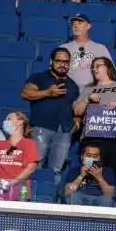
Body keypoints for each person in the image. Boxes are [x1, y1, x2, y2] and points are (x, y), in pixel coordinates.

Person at [20, 47, 80, 184]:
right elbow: (25, 93)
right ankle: (29, 201)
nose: (62, 64)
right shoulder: (39, 77)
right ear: (52, 62)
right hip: (41, 128)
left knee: (57, 170)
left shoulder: (73, 85)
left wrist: (76, 124)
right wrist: (47, 93)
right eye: (59, 61)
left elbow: (75, 109)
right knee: (34, 166)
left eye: (66, 61)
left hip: (64, 131)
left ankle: (51, 200)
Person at [73, 57, 116, 174]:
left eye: (98, 66)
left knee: (113, 175)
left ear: (108, 68)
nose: (94, 69)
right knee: (89, 173)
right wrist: (87, 99)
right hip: (92, 139)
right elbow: (77, 111)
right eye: (93, 67)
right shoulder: (88, 89)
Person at [0, 111, 39, 197]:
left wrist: (11, 183)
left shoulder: (29, 144)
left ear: (20, 122)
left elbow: (30, 168)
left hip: (19, 191)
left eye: (9, 119)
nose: (5, 122)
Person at [60, 13, 113, 90]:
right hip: (70, 91)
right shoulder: (63, 48)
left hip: (93, 91)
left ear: (88, 26)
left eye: (80, 23)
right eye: (73, 24)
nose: (75, 26)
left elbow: (109, 72)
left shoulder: (100, 48)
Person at [63, 142, 116, 207]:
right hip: (80, 199)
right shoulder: (74, 170)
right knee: (74, 196)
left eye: (95, 156)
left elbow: (110, 194)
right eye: (88, 155)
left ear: (99, 158)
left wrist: (99, 178)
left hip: (99, 200)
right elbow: (68, 192)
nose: (91, 158)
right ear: (82, 157)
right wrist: (81, 176)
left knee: (107, 200)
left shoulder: (107, 171)